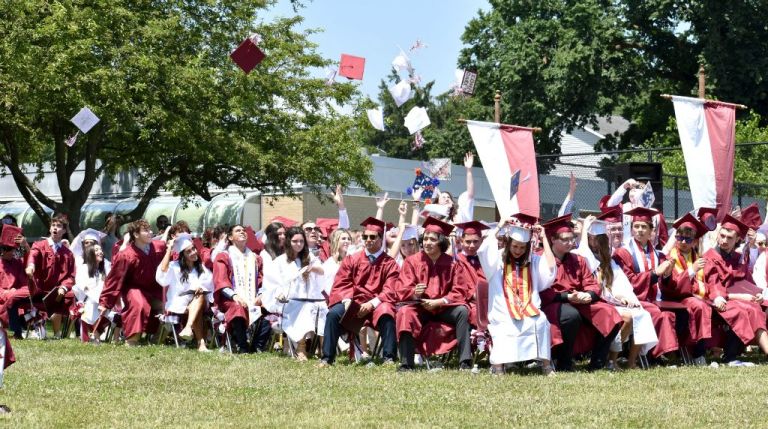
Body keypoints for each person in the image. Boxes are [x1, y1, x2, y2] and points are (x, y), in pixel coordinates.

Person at [538, 214, 623, 371]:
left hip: (580, 301)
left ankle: (597, 362)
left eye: (571, 239)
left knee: (610, 314)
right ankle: (564, 362)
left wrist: (588, 295)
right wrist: (566, 296)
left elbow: (591, 284)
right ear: (552, 240)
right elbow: (540, 289)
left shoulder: (578, 260)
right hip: (553, 303)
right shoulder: (540, 260)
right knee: (571, 316)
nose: (570, 243)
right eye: (565, 239)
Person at [478, 213, 556, 375]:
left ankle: (546, 366)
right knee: (504, 324)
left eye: (522, 247)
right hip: (502, 310)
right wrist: (500, 226)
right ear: (508, 244)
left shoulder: (532, 260)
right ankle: (498, 366)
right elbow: (483, 251)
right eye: (515, 246)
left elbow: (549, 270)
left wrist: (545, 239)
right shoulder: (497, 259)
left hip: (528, 308)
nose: (518, 251)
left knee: (541, 320)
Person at [575, 217, 658, 369]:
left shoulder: (608, 261)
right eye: (592, 239)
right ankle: (611, 360)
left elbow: (618, 284)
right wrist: (585, 227)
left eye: (599, 239)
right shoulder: (583, 258)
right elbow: (583, 251)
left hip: (610, 300)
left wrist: (625, 297)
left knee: (642, 314)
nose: (596, 242)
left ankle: (631, 362)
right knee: (626, 318)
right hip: (593, 301)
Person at [395, 217, 474, 371]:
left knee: (463, 311)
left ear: (441, 242)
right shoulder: (412, 261)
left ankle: (465, 361)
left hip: (444, 308)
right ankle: (406, 363)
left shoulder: (452, 263)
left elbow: (460, 290)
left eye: (432, 239)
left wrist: (440, 301)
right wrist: (414, 293)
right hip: (421, 308)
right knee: (405, 312)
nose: (427, 242)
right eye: (425, 239)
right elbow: (401, 288)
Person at [319, 218, 399, 366]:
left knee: (388, 312)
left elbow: (390, 289)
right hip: (353, 302)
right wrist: (348, 300)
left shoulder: (390, 263)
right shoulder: (352, 259)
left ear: (381, 238)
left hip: (378, 304)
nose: (368, 240)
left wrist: (371, 304)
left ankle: (389, 357)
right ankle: (327, 358)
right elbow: (342, 283)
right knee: (333, 314)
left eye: (372, 237)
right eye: (365, 236)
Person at [611, 207, 679, 360]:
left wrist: (667, 275)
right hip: (634, 299)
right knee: (659, 314)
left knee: (676, 313)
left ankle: (664, 354)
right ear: (631, 229)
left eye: (644, 227)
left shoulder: (659, 254)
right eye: (636, 226)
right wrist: (655, 273)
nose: (640, 230)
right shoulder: (623, 253)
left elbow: (666, 283)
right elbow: (628, 282)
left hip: (656, 300)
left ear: (651, 231)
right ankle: (664, 355)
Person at [702, 215, 768, 366]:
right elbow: (713, 285)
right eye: (722, 236)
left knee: (757, 307)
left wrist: (756, 294)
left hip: (739, 299)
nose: (724, 241)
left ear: (737, 239)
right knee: (743, 310)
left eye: (729, 238)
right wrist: (737, 297)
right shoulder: (711, 256)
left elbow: (748, 281)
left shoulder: (738, 258)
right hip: (718, 299)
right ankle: (730, 356)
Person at [262, 226, 325, 361]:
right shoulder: (280, 261)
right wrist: (279, 293)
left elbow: (322, 272)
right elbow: (273, 283)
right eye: (295, 241)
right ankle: (301, 346)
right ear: (288, 242)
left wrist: (312, 268)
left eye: (301, 241)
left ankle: (324, 348)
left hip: (309, 298)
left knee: (322, 309)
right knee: (302, 309)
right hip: (289, 301)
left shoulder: (308, 257)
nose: (299, 244)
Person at [99, 219, 166, 346]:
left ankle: (157, 339)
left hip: (154, 289)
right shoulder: (126, 255)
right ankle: (132, 340)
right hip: (134, 288)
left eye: (150, 229)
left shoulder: (158, 247)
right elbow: (114, 279)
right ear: (135, 234)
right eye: (146, 230)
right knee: (139, 304)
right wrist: (105, 302)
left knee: (170, 307)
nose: (151, 232)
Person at [659, 213, 713, 365]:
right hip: (675, 299)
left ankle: (699, 352)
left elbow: (711, 281)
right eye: (679, 237)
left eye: (688, 239)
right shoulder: (670, 257)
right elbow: (672, 286)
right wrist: (692, 271)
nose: (682, 242)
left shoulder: (699, 258)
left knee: (705, 306)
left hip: (695, 297)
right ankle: (698, 354)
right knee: (700, 307)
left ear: (695, 241)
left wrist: (716, 296)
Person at [212, 224, 270, 354]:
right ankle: (242, 346)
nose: (243, 232)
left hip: (252, 298)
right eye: (238, 231)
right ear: (231, 237)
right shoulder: (224, 256)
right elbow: (220, 281)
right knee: (238, 307)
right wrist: (235, 296)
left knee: (269, 308)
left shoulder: (255, 258)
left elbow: (261, 281)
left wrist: (260, 296)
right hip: (229, 300)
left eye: (244, 230)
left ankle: (257, 346)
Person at [156, 233, 213, 351]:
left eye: (193, 249)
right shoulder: (174, 266)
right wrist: (169, 250)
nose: (193, 253)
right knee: (197, 307)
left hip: (197, 301)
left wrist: (201, 287)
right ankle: (201, 343)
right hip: (179, 302)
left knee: (200, 296)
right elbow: (162, 272)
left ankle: (188, 327)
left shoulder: (201, 267)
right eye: (188, 251)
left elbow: (209, 283)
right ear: (183, 255)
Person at [25, 214, 76, 339]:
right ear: (49, 228)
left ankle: (59, 333)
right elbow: (33, 255)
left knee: (69, 296)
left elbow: (71, 276)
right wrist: (31, 266)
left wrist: (64, 287)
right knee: (40, 297)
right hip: (40, 289)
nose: (55, 228)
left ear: (64, 230)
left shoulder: (67, 253)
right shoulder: (39, 245)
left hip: (57, 290)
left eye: (59, 226)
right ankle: (38, 329)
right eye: (53, 225)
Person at [73, 244, 112, 342]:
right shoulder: (84, 268)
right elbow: (82, 286)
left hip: (102, 300)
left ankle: (98, 334)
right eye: (96, 250)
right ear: (90, 253)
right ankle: (93, 335)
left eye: (101, 249)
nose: (100, 252)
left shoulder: (104, 269)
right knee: (91, 306)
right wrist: (97, 296)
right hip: (89, 299)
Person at [0, 225, 31, 340]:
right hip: (3, 297)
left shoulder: (18, 263)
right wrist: (6, 292)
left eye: (13, 249)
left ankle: (19, 331)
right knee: (11, 300)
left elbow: (31, 260)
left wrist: (26, 245)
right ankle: (17, 331)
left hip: (18, 294)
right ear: (2, 250)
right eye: (8, 249)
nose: (12, 252)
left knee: (18, 297)